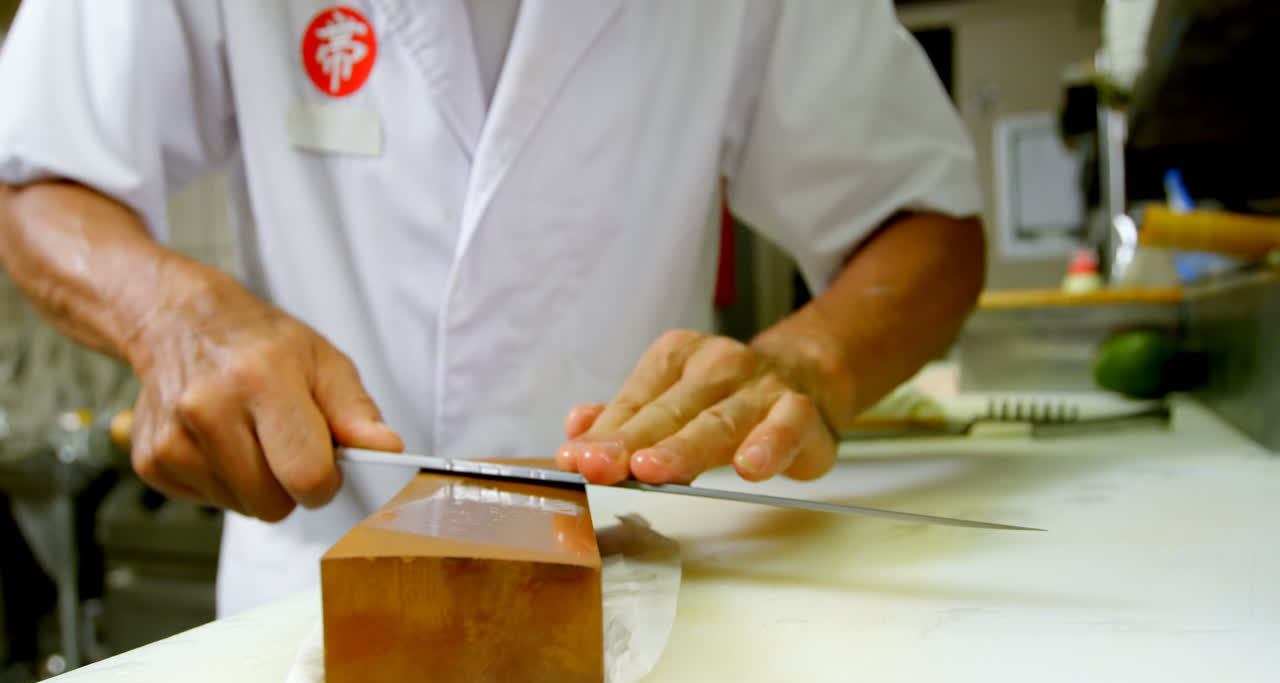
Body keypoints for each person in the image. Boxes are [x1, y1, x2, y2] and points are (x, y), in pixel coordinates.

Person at [0, 0, 986, 616]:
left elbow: (923, 221)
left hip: (636, 606)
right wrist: (174, 317)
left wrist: (810, 359)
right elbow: (34, 172)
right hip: (306, 599)